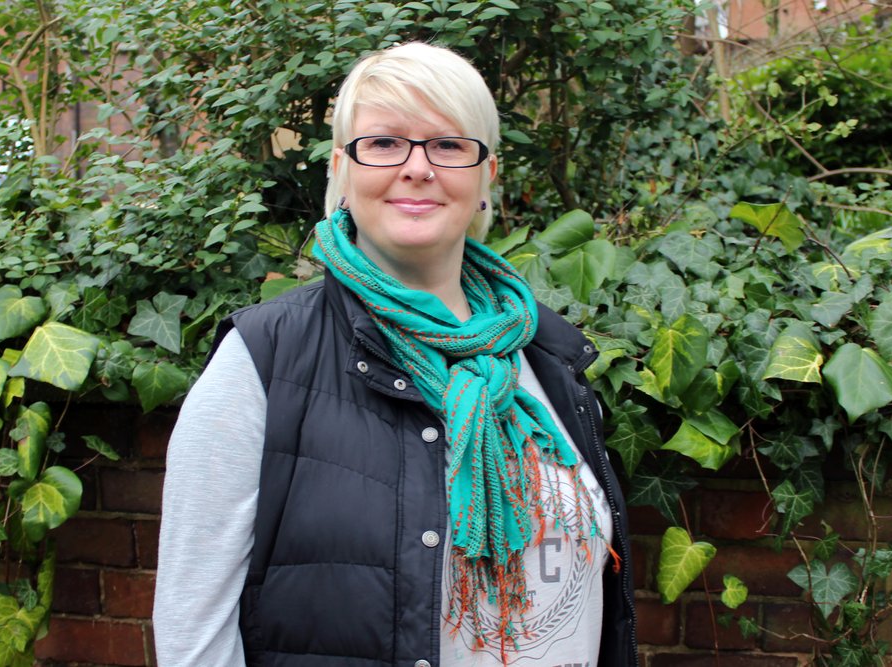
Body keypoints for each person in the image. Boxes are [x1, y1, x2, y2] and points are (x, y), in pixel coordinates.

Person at [153, 42, 637, 667]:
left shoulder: (545, 354)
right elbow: (194, 637)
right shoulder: (264, 360)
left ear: (486, 173)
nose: (417, 167)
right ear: (342, 170)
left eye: (448, 144)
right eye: (383, 143)